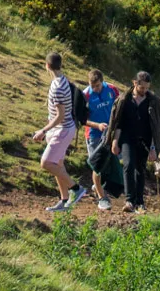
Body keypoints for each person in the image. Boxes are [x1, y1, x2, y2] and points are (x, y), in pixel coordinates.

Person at [107, 71, 160, 214]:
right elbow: (118, 123)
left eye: (147, 88)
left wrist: (154, 147)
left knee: (140, 169)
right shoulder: (124, 100)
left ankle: (140, 202)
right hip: (127, 139)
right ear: (135, 83)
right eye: (142, 88)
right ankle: (129, 200)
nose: (144, 91)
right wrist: (115, 142)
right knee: (128, 165)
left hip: (145, 140)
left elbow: (156, 127)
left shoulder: (153, 102)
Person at [29, 53, 81, 213]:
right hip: (60, 129)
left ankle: (76, 189)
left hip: (63, 130)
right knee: (57, 164)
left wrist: (43, 130)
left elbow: (60, 116)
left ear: (46, 66)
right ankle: (64, 200)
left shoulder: (58, 87)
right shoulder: (60, 80)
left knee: (46, 163)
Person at [83, 69, 122, 211]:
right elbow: (82, 119)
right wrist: (97, 125)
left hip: (111, 134)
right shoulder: (85, 95)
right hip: (94, 135)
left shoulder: (112, 89)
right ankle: (102, 198)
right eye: (92, 86)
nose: (95, 89)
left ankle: (100, 185)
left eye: (98, 86)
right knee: (97, 167)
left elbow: (120, 108)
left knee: (112, 163)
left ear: (102, 82)